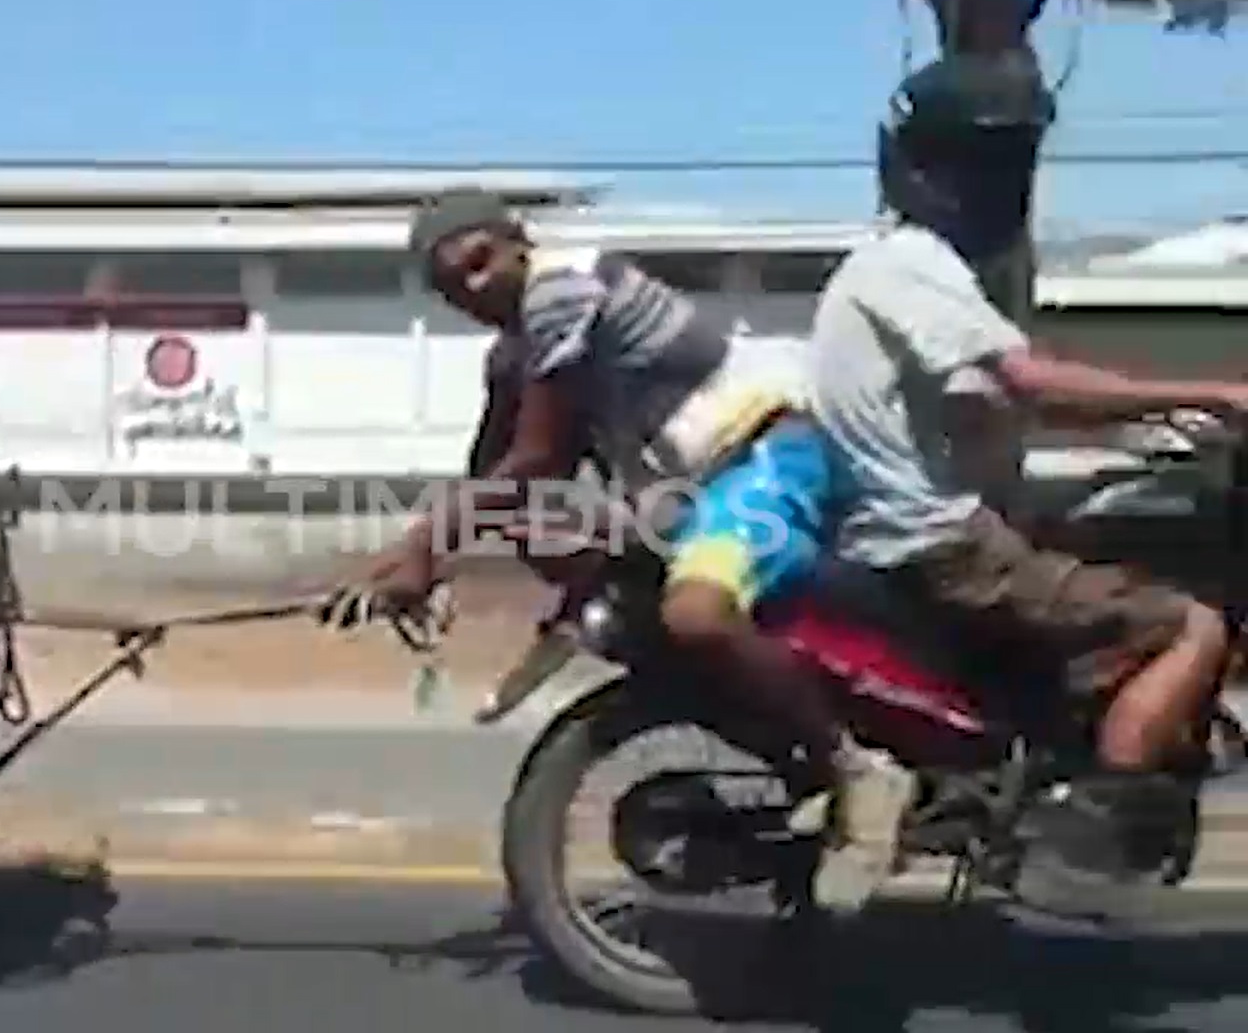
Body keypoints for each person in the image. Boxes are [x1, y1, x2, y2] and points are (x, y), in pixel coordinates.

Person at [322, 187, 913, 911]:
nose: (473, 292)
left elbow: (537, 457)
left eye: (478, 264)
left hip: (764, 452)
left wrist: (426, 546)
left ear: (518, 240)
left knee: (696, 613)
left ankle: (857, 770)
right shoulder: (516, 352)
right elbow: (491, 481)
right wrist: (408, 567)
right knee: (553, 543)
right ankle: (765, 726)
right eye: (452, 290)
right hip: (691, 495)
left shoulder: (561, 290)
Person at [807, 52, 1248, 910]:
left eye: (1011, 164)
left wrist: (1140, 427)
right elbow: (1027, 382)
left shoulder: (906, 269)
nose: (1001, 184)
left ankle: (1062, 753)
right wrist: (1212, 391)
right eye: (991, 163)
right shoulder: (912, 264)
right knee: (1190, 627)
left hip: (922, 530)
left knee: (1085, 550)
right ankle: (1092, 834)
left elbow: (989, 404)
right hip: (940, 546)